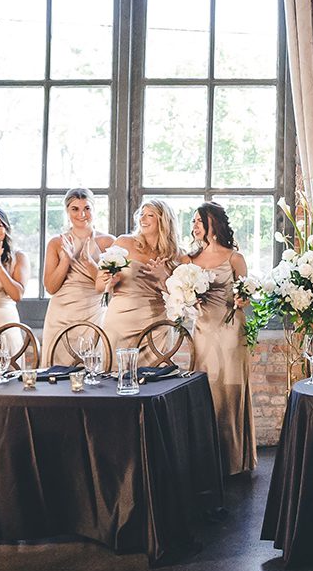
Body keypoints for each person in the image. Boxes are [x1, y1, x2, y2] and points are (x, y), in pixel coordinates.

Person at [179, 202, 255, 477]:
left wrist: (242, 298)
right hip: (203, 331)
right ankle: (205, 459)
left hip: (230, 329)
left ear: (214, 224)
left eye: (199, 221)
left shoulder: (234, 258)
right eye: (193, 222)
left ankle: (233, 460)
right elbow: (178, 292)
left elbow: (245, 296)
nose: (195, 226)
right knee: (205, 391)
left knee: (230, 390)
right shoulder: (188, 260)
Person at [101, 200, 180, 366]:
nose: (143, 219)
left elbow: (179, 299)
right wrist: (111, 282)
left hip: (156, 325)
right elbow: (98, 286)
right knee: (114, 377)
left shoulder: (175, 255)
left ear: (163, 221)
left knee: (155, 380)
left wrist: (163, 278)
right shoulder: (123, 243)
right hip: (120, 322)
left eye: (150, 215)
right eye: (141, 214)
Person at [42, 188, 112, 365]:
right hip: (60, 314)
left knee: (94, 370)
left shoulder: (108, 242)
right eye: (75, 209)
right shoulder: (56, 243)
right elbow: (50, 287)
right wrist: (65, 260)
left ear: (94, 209)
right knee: (56, 373)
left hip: (93, 312)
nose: (82, 214)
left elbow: (109, 286)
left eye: (87, 208)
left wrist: (90, 263)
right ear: (67, 211)